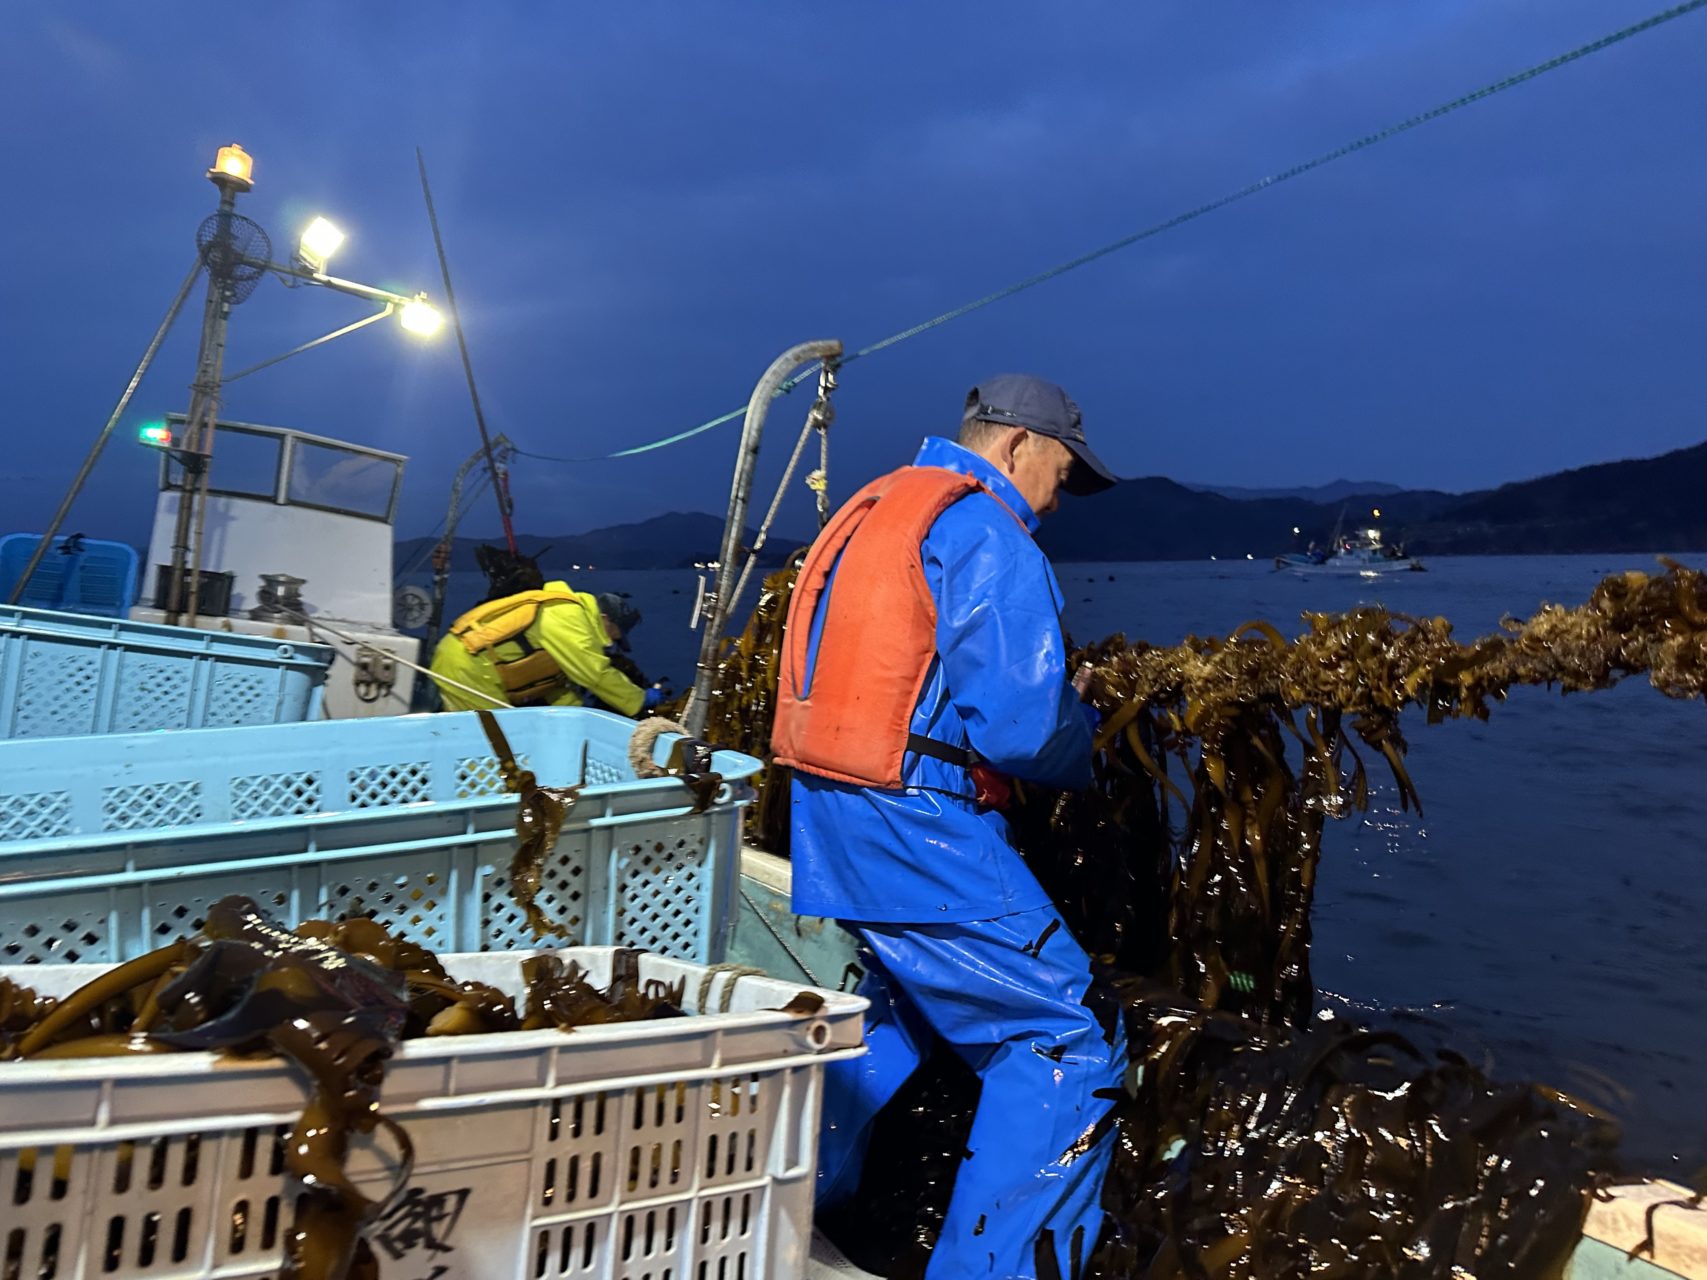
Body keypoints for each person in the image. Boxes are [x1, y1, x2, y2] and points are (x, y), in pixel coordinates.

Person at [772, 374, 1125, 1278]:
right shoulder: (985, 530)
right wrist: (1080, 728)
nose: (1057, 497)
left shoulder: (873, 505)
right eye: (1059, 472)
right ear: (1014, 446)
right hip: (911, 819)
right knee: (1065, 1035)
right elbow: (1015, 727)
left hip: (829, 811)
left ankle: (789, 1205)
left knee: (896, 1008)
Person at [428, 545, 664, 716]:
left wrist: (579, 717)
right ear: (605, 619)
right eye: (616, 636)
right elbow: (595, 673)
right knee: (493, 745)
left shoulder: (568, 626)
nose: (612, 644)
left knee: (499, 742)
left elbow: (558, 688)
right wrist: (639, 699)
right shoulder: (568, 614)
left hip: (472, 665)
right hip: (467, 666)